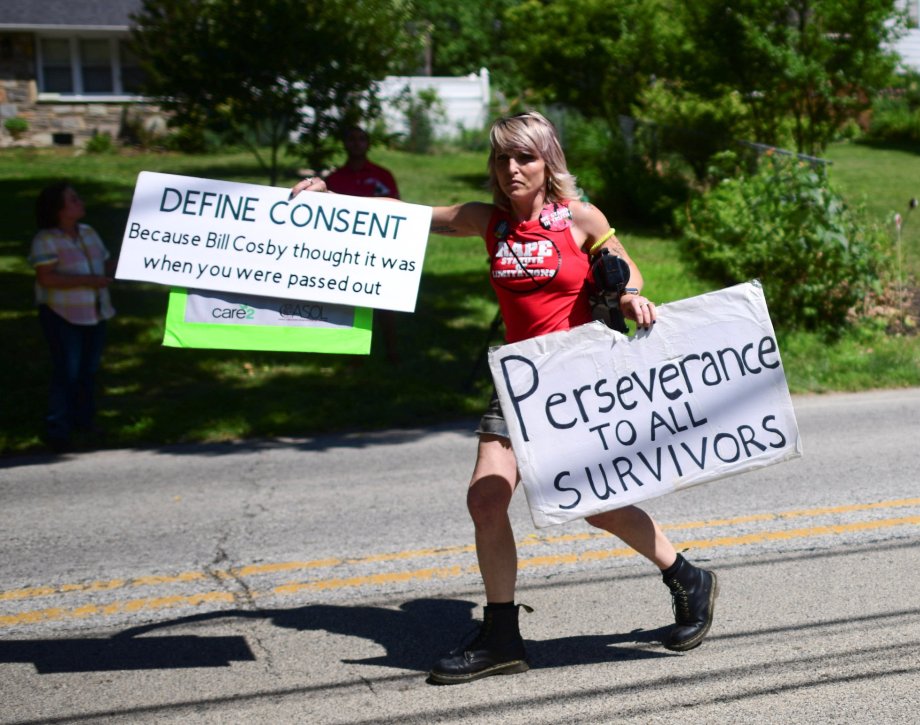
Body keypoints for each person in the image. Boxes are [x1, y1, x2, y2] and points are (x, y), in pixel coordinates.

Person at [293, 112, 718, 684]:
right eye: (502, 159)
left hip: (575, 380)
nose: (512, 169)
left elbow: (624, 265)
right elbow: (409, 220)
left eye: (525, 158)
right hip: (517, 381)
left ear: (548, 164)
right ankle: (501, 635)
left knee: (597, 506)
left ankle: (687, 577)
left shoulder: (578, 218)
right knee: (486, 499)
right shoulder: (487, 222)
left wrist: (631, 296)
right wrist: (330, 195)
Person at [29, 183, 116, 452]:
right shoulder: (46, 240)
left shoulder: (89, 233)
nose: (80, 202)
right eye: (73, 199)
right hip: (63, 315)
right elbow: (47, 278)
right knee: (66, 372)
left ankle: (84, 421)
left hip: (95, 312)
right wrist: (91, 280)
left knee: (88, 372)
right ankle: (58, 429)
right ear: (59, 209)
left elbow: (105, 264)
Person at [325, 125, 402, 361]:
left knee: (384, 303)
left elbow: (398, 210)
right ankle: (354, 356)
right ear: (345, 144)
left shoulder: (382, 175)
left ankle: (392, 352)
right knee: (351, 304)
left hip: (377, 249)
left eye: (361, 139)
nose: (356, 143)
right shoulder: (335, 179)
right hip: (346, 251)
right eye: (351, 138)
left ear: (368, 144)